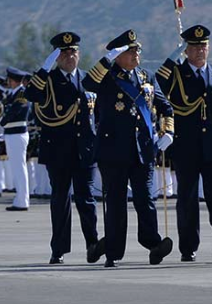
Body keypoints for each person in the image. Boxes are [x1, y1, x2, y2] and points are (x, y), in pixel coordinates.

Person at [82, 29, 174, 268]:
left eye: (137, 50)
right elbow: (87, 83)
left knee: (146, 199)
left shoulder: (147, 77)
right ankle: (112, 251)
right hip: (113, 151)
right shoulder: (107, 77)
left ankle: (153, 243)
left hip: (142, 150)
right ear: (119, 55)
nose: (136, 55)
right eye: (130, 51)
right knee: (116, 202)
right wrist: (107, 59)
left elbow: (166, 107)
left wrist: (168, 132)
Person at [25, 31, 104, 264]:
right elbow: (30, 94)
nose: (70, 56)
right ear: (57, 56)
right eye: (65, 52)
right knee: (60, 199)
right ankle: (58, 249)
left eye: (74, 52)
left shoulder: (88, 79)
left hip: (84, 149)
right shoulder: (47, 80)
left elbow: (98, 115)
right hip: (58, 149)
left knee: (87, 198)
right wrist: (44, 68)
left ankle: (93, 244)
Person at [155, 25, 212, 263]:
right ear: (186, 50)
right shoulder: (176, 74)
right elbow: (156, 83)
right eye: (195, 47)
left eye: (204, 46)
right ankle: (188, 247)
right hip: (186, 147)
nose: (200, 50)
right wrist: (171, 59)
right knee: (187, 198)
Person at [1, 67, 31, 212]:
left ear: (12, 80)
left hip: (17, 133)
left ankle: (22, 200)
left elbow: (15, 110)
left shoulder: (21, 93)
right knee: (16, 167)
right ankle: (20, 198)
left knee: (19, 168)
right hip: (12, 133)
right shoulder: (13, 93)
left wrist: (1, 121)